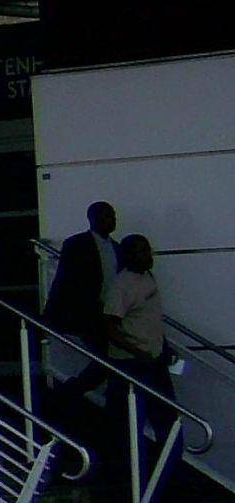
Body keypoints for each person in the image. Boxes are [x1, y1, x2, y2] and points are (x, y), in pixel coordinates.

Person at [100, 235, 179, 481]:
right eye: (142, 251)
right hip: (131, 366)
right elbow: (110, 327)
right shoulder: (121, 286)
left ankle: (167, 475)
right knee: (128, 426)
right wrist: (138, 351)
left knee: (168, 420)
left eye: (149, 250)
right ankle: (130, 480)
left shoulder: (148, 278)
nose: (149, 256)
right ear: (129, 255)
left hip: (154, 361)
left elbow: (150, 319)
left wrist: (163, 346)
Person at [44, 201, 120, 401]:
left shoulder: (117, 248)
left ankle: (76, 391)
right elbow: (63, 279)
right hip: (90, 314)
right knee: (108, 358)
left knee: (113, 360)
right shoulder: (77, 245)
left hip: (112, 314)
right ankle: (73, 390)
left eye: (112, 216)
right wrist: (51, 313)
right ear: (93, 219)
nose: (111, 220)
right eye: (106, 216)